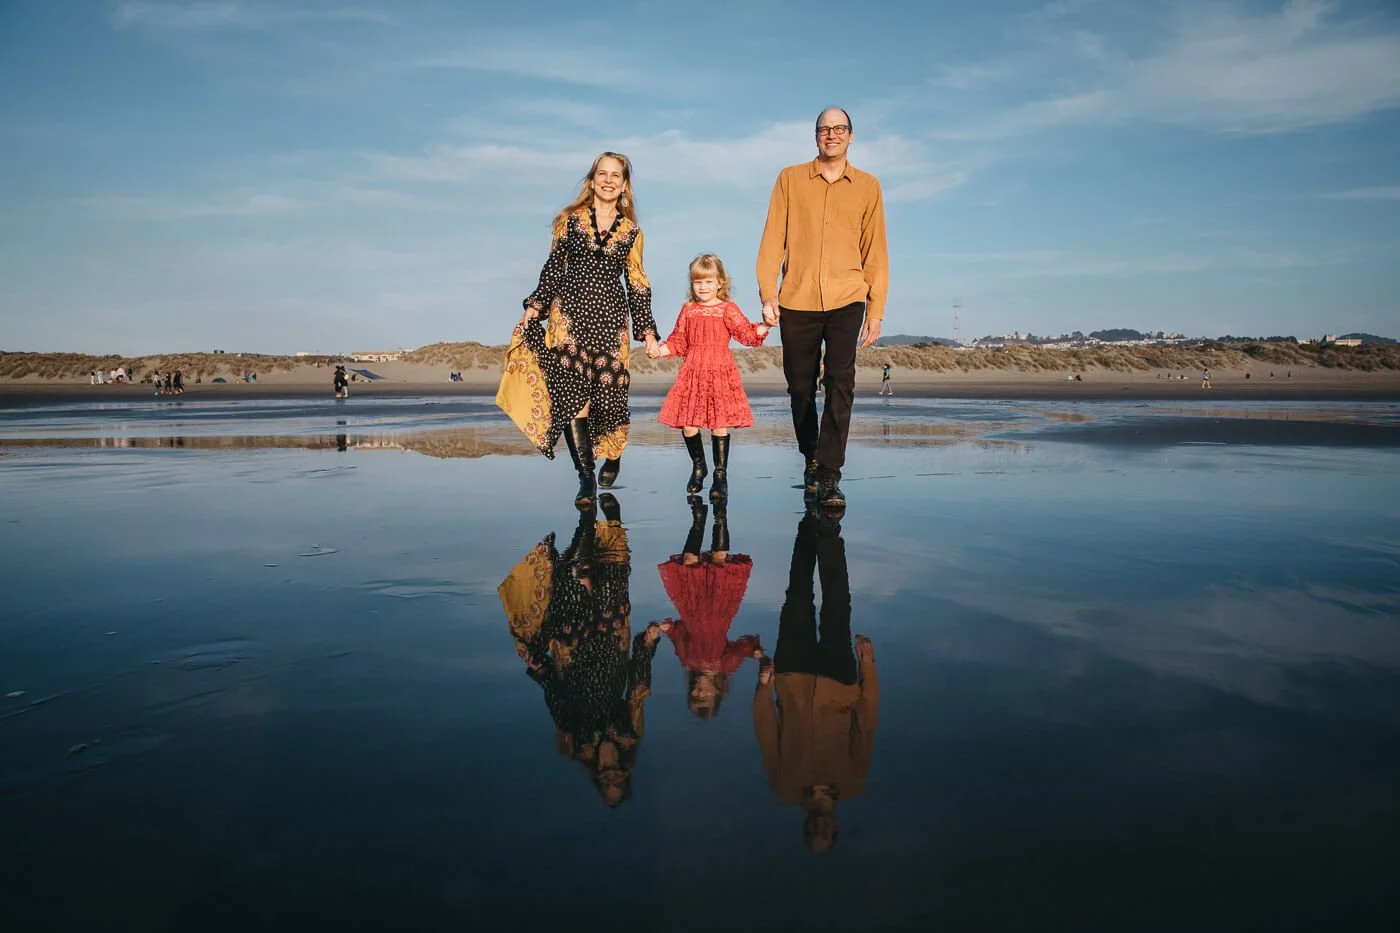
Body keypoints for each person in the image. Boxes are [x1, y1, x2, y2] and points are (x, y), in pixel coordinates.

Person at [501, 152, 660, 507]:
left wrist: (647, 330)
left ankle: (614, 455)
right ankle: (585, 476)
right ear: (591, 180)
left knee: (610, 398)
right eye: (601, 174)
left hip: (611, 323)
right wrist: (534, 307)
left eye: (615, 175)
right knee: (575, 397)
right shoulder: (569, 221)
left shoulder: (632, 232)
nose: (607, 180)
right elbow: (553, 267)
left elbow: (637, 283)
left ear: (624, 185)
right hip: (568, 319)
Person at [757, 107, 889, 510]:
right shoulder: (790, 179)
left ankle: (830, 473)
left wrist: (876, 307)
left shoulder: (868, 186)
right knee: (799, 387)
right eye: (824, 129)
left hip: (848, 296)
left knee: (840, 381)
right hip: (796, 297)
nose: (831, 135)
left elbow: (876, 251)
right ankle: (811, 458)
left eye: (839, 129)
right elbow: (772, 238)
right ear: (816, 136)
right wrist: (767, 293)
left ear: (851, 136)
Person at [499, 495, 663, 808]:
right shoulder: (628, 733)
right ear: (626, 773)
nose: (612, 777)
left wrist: (540, 670)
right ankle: (612, 521)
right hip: (610, 640)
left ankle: (586, 520)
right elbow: (638, 690)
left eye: (607, 783)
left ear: (598, 778)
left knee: (575, 575)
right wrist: (647, 643)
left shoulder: (575, 741)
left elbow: (556, 700)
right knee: (613, 578)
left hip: (572, 649)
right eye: (619, 781)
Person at [753, 509, 878, 853]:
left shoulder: (784, 787)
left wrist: (764, 687)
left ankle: (809, 525)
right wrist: (867, 666)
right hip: (840, 683)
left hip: (792, 679)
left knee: (796, 596)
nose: (820, 827)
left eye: (813, 834)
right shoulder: (853, 783)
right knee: (837, 604)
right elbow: (865, 725)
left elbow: (766, 732)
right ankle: (830, 532)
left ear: (805, 829)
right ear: (836, 828)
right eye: (827, 833)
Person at [650, 253, 771, 498]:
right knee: (688, 425)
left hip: (720, 371)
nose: (703, 287)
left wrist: (766, 325)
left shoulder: (727, 309)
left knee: (719, 425)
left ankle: (720, 475)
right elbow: (678, 340)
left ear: (720, 283)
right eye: (698, 282)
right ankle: (699, 467)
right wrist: (659, 351)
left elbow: (746, 333)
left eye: (708, 282)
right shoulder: (689, 310)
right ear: (692, 284)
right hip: (693, 371)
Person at [658, 498, 762, 720]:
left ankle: (698, 519)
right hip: (719, 609)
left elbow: (680, 636)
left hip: (691, 608)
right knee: (719, 561)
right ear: (717, 692)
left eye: (694, 694)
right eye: (704, 695)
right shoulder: (725, 665)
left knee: (688, 562)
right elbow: (741, 648)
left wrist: (667, 628)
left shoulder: (687, 661)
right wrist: (754, 651)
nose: (699, 690)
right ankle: (720, 516)